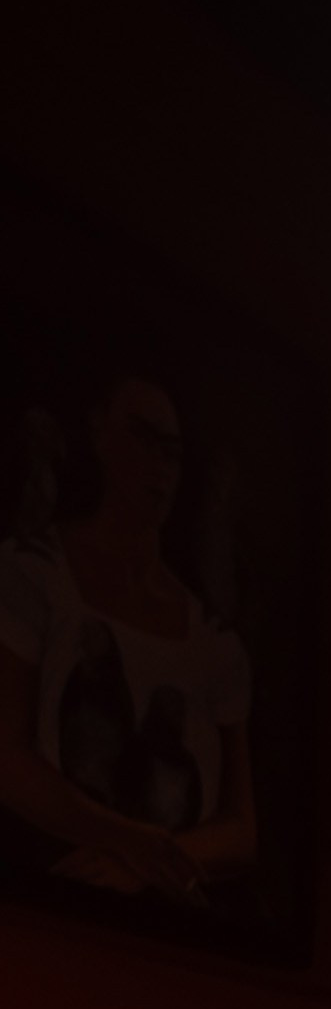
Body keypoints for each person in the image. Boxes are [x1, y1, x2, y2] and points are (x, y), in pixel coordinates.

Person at [0, 363, 257, 903]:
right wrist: (127, 840)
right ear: (99, 433)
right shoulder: (35, 574)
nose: (158, 465)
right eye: (142, 438)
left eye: (171, 452)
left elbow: (240, 828)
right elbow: (9, 757)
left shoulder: (213, 640)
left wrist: (144, 864)